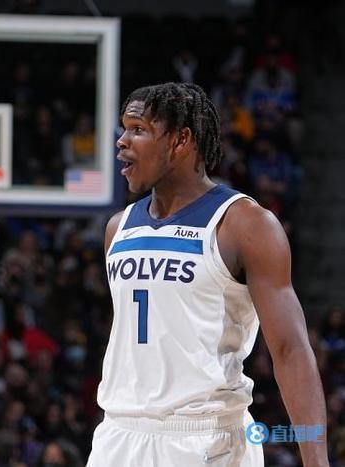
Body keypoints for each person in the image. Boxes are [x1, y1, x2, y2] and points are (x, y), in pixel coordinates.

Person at [87, 82, 327, 467]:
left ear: (181, 140)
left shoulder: (245, 224)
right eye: (124, 128)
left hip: (207, 437)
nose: (122, 141)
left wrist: (316, 460)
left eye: (138, 129)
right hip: (119, 435)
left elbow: (291, 349)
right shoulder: (119, 228)